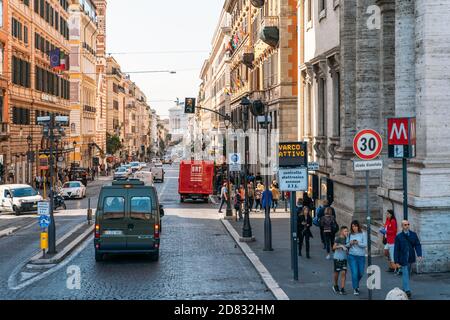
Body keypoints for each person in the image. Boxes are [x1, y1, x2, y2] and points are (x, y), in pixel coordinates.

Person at [394, 220, 423, 299]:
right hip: (402, 258)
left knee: (407, 274)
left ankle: (404, 289)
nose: (407, 226)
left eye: (408, 224)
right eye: (405, 225)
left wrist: (419, 254)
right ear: (402, 226)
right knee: (405, 273)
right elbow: (396, 249)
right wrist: (396, 261)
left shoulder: (413, 235)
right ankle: (407, 290)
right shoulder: (399, 237)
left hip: (410, 257)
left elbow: (417, 244)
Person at [346, 220, 367, 296]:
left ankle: (356, 283)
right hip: (352, 256)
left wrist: (358, 243)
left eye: (355, 226)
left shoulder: (363, 234)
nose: (354, 228)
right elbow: (346, 245)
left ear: (358, 226)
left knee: (361, 273)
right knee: (355, 273)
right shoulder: (350, 234)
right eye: (353, 226)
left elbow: (365, 245)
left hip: (361, 256)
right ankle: (355, 288)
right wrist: (350, 243)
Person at [333, 226, 349, 295]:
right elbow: (333, 247)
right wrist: (341, 246)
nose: (347, 232)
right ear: (341, 231)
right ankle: (335, 285)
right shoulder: (338, 238)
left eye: (347, 231)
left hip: (344, 258)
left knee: (343, 273)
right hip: (337, 258)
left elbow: (347, 248)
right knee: (337, 273)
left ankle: (342, 289)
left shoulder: (347, 239)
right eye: (345, 231)